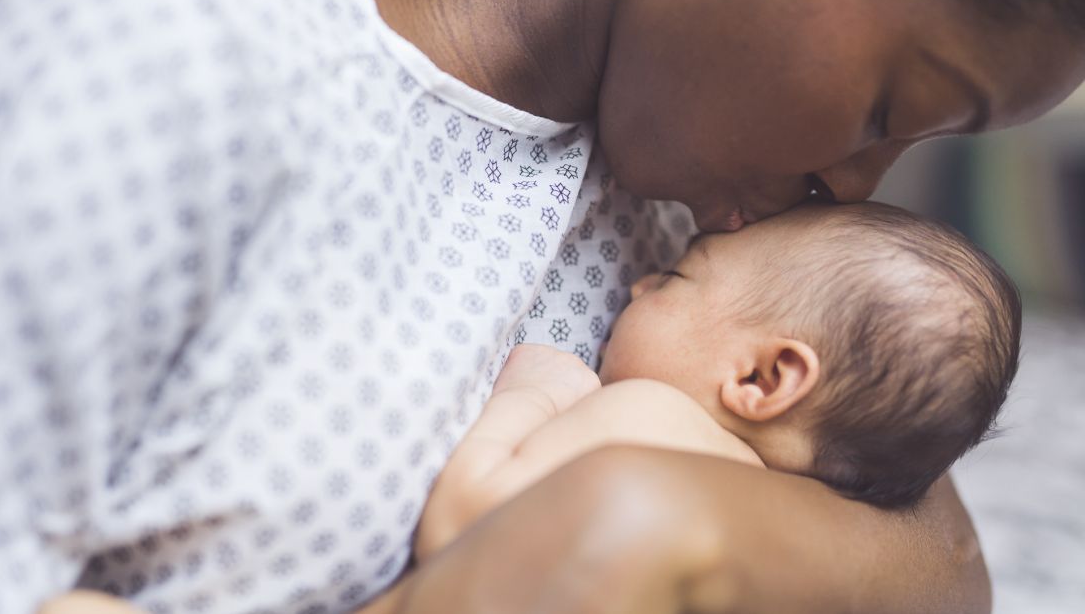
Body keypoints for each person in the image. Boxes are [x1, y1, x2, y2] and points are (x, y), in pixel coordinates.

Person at [0, 0, 1082, 612]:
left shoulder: (680, 190)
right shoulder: (164, 43)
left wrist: (658, 527)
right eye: (892, 108)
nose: (857, 184)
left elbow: (943, 567)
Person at [414, 201, 1020, 559]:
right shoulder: (782, 530)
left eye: (678, 277)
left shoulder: (651, 418)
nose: (639, 284)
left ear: (761, 378)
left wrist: (536, 392)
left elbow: (460, 528)